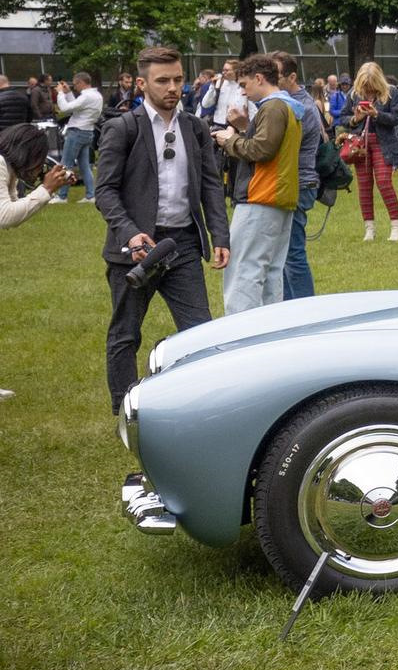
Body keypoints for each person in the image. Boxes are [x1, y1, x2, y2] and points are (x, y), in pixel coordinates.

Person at [95, 46, 230, 414]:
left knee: (200, 332)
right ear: (142, 84)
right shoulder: (122, 128)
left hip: (181, 244)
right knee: (126, 334)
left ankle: (204, 405)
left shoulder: (195, 127)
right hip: (135, 249)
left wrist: (220, 235)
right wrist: (129, 233)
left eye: (178, 79)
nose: (173, 87)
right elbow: (105, 191)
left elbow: (210, 185)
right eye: (162, 81)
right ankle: (126, 410)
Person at [211, 52, 302, 315]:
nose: (242, 91)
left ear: (259, 78)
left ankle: (241, 331)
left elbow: (261, 150)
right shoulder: (288, 106)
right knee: (270, 273)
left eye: (244, 84)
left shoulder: (272, 107)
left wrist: (229, 140)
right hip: (279, 198)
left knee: (243, 271)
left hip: (261, 198)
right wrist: (243, 130)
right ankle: (269, 330)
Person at [269, 50, 325, 299]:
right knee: (281, 255)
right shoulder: (284, 103)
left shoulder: (302, 108)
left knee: (292, 254)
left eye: (276, 76)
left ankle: (304, 309)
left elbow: (280, 147)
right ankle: (288, 307)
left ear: (292, 77)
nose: (269, 80)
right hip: (291, 183)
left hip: (299, 184)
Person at [339, 62, 398, 242]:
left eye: (371, 87)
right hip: (360, 146)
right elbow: (343, 118)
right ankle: (369, 229)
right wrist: (355, 119)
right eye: (365, 87)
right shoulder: (353, 94)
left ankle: (396, 226)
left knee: (384, 183)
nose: (368, 91)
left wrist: (377, 115)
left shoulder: (391, 92)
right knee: (364, 186)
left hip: (383, 144)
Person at [1, 124, 70, 227]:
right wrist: (46, 189)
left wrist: (50, 187)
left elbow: (14, 209)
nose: (40, 166)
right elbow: (5, 217)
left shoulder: (9, 166)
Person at [54, 72, 103, 203]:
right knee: (84, 166)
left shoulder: (87, 96)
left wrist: (60, 93)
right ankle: (91, 195)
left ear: (81, 82)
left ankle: (62, 196)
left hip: (77, 132)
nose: (74, 87)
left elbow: (65, 108)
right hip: (87, 132)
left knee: (66, 164)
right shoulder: (96, 95)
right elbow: (76, 107)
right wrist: (68, 93)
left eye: (75, 84)